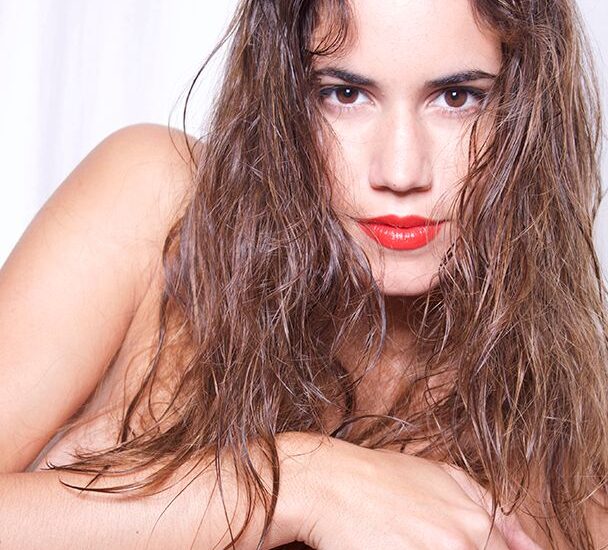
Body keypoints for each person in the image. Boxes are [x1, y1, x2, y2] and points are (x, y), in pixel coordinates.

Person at [0, 0, 606, 548]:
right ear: (282, 96)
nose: (401, 171)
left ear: (529, 114)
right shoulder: (157, 209)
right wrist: (300, 483)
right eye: (345, 94)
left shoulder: (567, 459)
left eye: (457, 98)